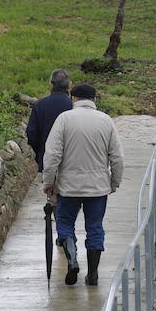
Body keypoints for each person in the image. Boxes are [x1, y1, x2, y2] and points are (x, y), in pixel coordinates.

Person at [43, 83, 123, 286]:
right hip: (98, 187)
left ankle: (72, 258)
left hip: (68, 187)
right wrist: (114, 182)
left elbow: (52, 154)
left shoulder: (64, 119)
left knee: (65, 223)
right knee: (95, 228)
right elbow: (117, 157)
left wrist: (48, 181)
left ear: (74, 98)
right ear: (94, 99)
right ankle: (93, 274)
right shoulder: (106, 121)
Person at [25, 68, 74, 180]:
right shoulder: (73, 106)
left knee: (51, 193)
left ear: (51, 84)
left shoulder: (39, 105)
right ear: (69, 85)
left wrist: (40, 151)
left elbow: (31, 133)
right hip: (71, 160)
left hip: (47, 157)